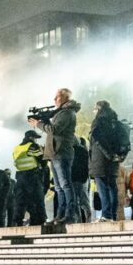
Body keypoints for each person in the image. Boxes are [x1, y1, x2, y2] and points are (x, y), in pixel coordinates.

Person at [29, 87, 81, 224]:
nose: (54, 99)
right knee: (59, 187)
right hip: (55, 153)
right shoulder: (61, 112)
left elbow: (54, 130)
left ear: (66, 98)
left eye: (57, 97)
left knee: (65, 185)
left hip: (61, 152)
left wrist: (38, 124)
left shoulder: (66, 113)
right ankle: (61, 215)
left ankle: (70, 215)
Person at [90, 100, 123, 221]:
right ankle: (112, 215)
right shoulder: (115, 121)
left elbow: (98, 140)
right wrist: (115, 155)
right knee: (112, 186)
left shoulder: (99, 121)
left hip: (101, 159)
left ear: (99, 109)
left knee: (103, 187)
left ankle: (106, 215)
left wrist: (107, 154)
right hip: (113, 159)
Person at [11, 129, 47, 226]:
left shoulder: (16, 148)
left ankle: (17, 221)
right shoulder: (32, 146)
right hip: (32, 176)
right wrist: (43, 152)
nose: (36, 140)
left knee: (20, 200)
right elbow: (43, 161)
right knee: (37, 199)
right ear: (31, 138)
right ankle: (39, 220)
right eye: (35, 138)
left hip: (19, 177)